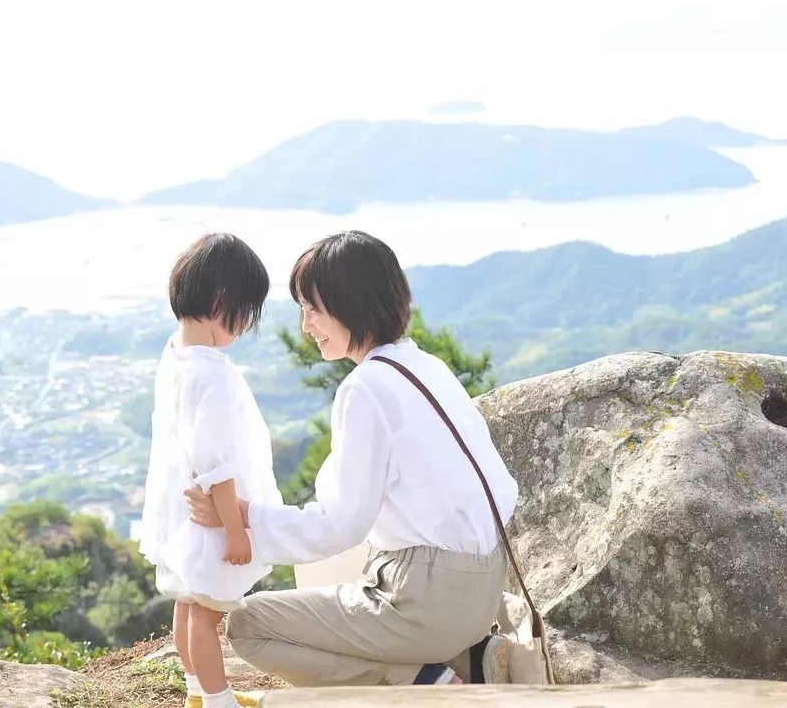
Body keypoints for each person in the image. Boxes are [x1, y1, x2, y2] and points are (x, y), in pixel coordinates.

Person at [185, 230, 519, 687]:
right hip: (482, 592)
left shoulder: (365, 390)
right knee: (352, 565)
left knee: (248, 624)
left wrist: (242, 520)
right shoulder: (426, 367)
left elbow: (340, 525)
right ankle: (465, 658)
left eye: (313, 308)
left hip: (427, 605)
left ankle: (423, 680)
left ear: (352, 304)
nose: (306, 327)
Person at [139, 233, 283, 708]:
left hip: (181, 515)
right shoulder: (213, 374)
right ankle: (219, 701)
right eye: (246, 314)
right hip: (211, 517)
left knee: (187, 602)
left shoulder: (174, 355)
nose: (244, 327)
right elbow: (216, 465)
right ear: (224, 302)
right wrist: (235, 529)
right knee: (207, 615)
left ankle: (196, 693)